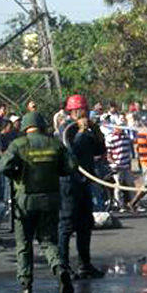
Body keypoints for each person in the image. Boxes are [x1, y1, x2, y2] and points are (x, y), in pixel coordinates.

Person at [0, 113, 75, 293]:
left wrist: (16, 173)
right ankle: (60, 269)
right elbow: (71, 166)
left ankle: (26, 288)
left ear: (25, 127)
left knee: (24, 244)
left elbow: (3, 166)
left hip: (25, 201)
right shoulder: (55, 144)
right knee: (48, 241)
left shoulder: (18, 144)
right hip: (50, 200)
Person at [59, 94, 106, 279]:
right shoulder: (66, 129)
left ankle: (84, 265)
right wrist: (79, 132)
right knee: (66, 225)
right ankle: (63, 267)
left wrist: (96, 132)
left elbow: (99, 150)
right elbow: (71, 152)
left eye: (85, 110)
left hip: (85, 183)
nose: (85, 113)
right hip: (69, 184)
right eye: (82, 110)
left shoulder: (88, 130)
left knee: (85, 224)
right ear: (74, 112)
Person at [105, 119, 134, 211]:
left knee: (130, 184)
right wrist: (114, 163)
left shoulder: (126, 137)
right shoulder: (110, 138)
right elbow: (109, 154)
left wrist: (129, 163)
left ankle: (133, 203)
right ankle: (120, 205)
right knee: (118, 186)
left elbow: (128, 151)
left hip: (126, 165)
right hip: (117, 166)